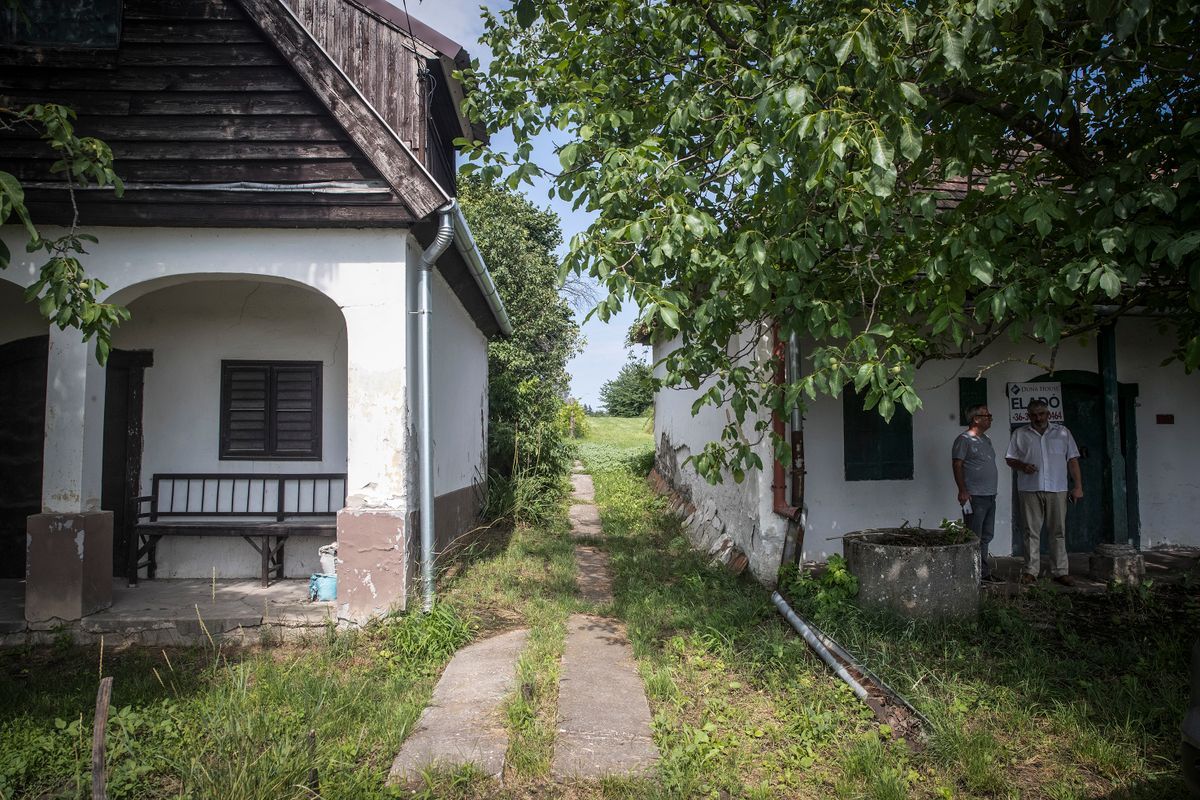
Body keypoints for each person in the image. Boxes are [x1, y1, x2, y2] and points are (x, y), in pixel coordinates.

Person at [1005, 399, 1083, 586]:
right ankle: (1031, 571)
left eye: (1041, 414)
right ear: (1028, 416)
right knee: (1030, 531)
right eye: (1033, 414)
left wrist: (1078, 486)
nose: (1038, 418)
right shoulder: (1020, 434)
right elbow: (1010, 459)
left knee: (1058, 531)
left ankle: (1060, 571)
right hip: (1029, 489)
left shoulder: (1063, 433)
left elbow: (1072, 460)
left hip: (1057, 489)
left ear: (1049, 414)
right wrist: (1022, 466)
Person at [952, 405, 1002, 583]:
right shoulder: (964, 439)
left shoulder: (986, 439)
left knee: (986, 535)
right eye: (987, 415)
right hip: (974, 496)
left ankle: (983, 573)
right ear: (976, 419)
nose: (990, 418)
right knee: (974, 536)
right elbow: (957, 464)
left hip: (989, 495)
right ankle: (971, 575)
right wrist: (963, 490)